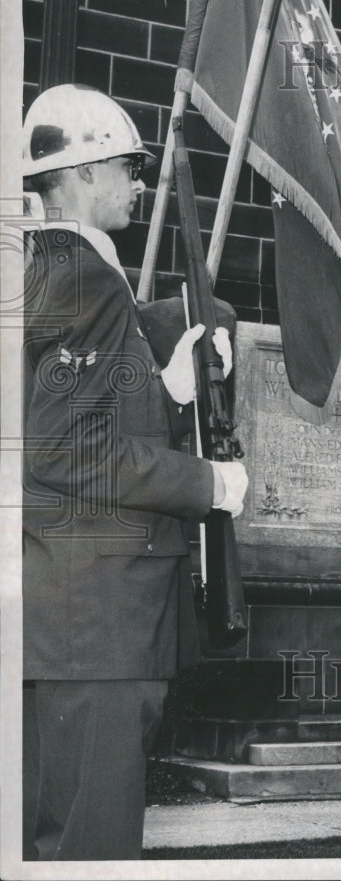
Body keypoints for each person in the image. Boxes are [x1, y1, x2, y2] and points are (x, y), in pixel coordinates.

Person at [21, 83, 249, 860]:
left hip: (68, 618)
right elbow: (59, 449)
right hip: (98, 621)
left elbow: (71, 422)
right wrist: (207, 485)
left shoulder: (51, 269)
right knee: (90, 848)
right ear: (80, 175)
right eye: (125, 165)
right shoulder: (81, 275)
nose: (138, 181)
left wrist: (166, 389)